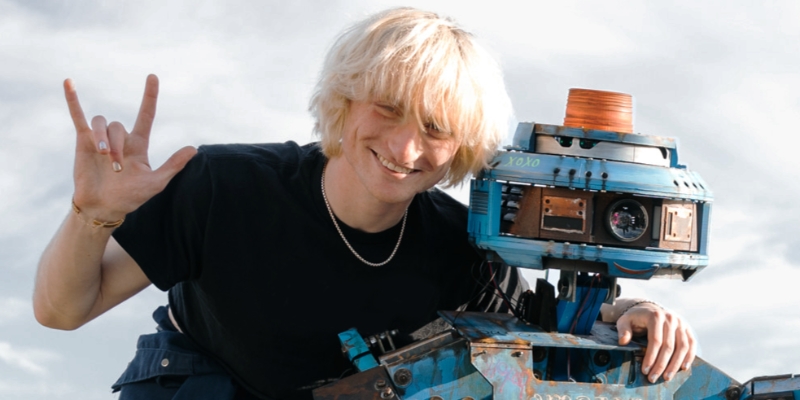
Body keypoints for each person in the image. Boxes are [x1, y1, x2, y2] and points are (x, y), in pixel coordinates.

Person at [33, 7, 696, 400]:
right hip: (199, 383)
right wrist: (91, 215)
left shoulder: (466, 252)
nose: (405, 146)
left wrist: (632, 307)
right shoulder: (223, 187)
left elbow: (551, 325)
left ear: (459, 148)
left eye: (435, 129)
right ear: (346, 101)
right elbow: (62, 310)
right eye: (389, 109)